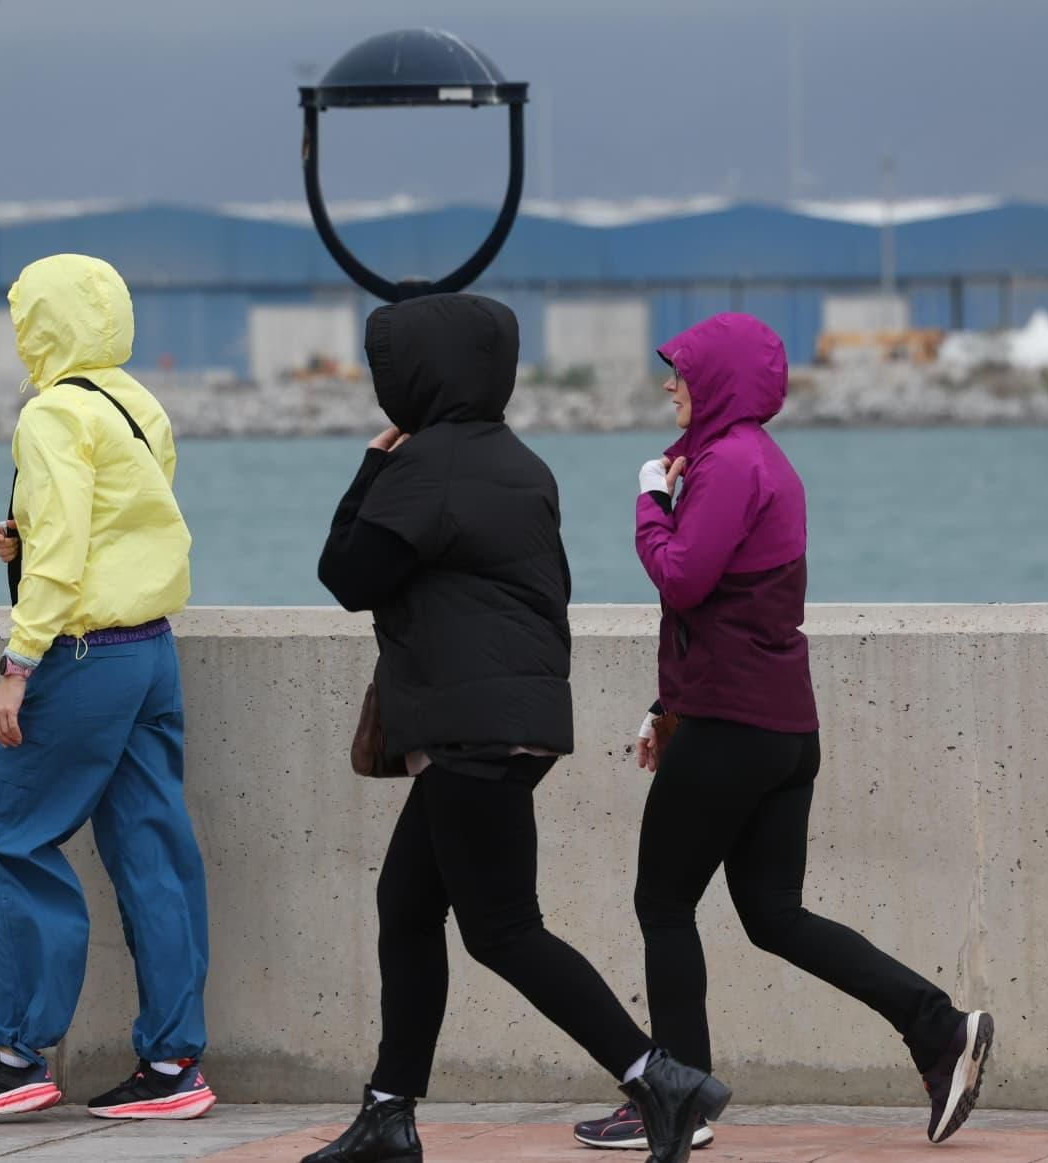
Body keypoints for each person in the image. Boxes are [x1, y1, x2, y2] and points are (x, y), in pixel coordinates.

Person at [309, 292, 731, 1163]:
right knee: (407, 907)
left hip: (470, 727)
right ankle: (388, 1111)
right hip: (514, 718)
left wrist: (373, 464)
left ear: (417, 374)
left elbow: (346, 573)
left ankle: (659, 1077)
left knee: (502, 928)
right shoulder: (520, 461)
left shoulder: (427, 466)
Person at [570, 313, 994, 1153]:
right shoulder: (762, 461)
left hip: (731, 727)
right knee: (774, 915)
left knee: (663, 903)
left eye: (681, 371)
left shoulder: (728, 464)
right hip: (781, 728)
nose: (669, 384)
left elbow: (683, 579)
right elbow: (738, 612)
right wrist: (667, 705)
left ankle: (677, 1099)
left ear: (718, 380)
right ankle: (937, 1026)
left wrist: (650, 502)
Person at [0, 254, 215, 1123]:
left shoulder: (51, 412)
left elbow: (66, 552)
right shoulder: (136, 401)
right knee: (152, 852)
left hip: (84, 657)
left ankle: (15, 1053)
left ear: (41, 325)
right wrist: (27, 537)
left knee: (0, 837)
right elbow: (127, 517)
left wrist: (18, 666)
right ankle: (173, 1063)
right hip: (150, 649)